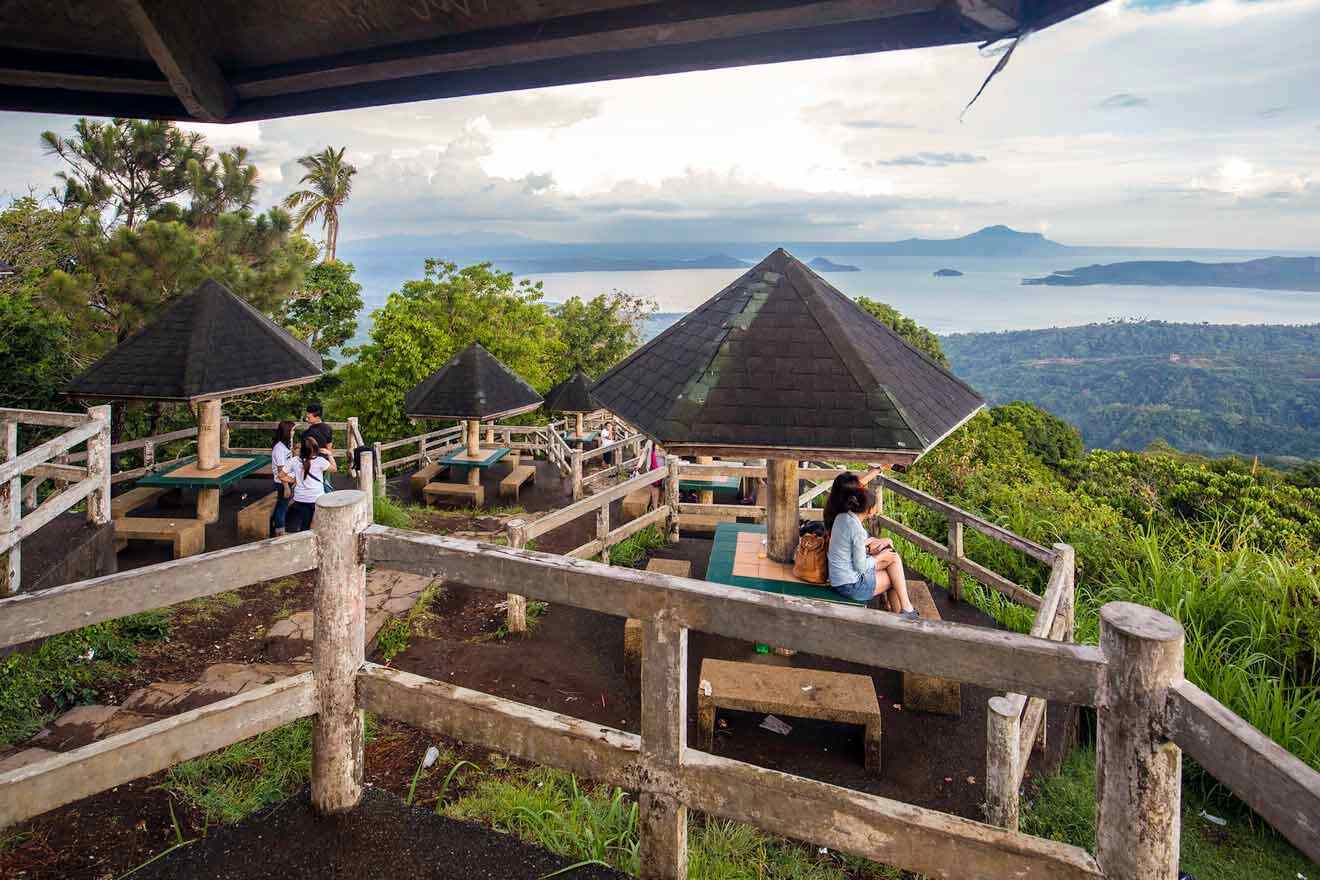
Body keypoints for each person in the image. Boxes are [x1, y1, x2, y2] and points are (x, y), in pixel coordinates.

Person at [826, 485, 919, 620]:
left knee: (893, 560)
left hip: (839, 578)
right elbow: (861, 567)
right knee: (894, 577)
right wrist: (880, 556)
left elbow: (848, 547)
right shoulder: (856, 529)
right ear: (869, 510)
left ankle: (905, 611)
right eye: (875, 506)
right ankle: (904, 614)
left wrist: (873, 545)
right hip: (850, 585)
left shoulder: (842, 517)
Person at [283, 434, 337, 532]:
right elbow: (334, 469)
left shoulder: (294, 460)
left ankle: (304, 539)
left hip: (300, 498)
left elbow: (281, 476)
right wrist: (329, 454)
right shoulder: (320, 461)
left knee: (305, 524)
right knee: (317, 524)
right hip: (317, 497)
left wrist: (295, 480)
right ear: (315, 448)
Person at [269, 420, 295, 536]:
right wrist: (286, 487)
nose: (294, 432)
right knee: (282, 506)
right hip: (282, 482)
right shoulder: (279, 448)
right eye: (292, 430)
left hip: (287, 480)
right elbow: (280, 470)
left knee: (282, 504)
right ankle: (280, 531)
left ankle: (276, 526)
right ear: (287, 431)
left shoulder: (286, 444)